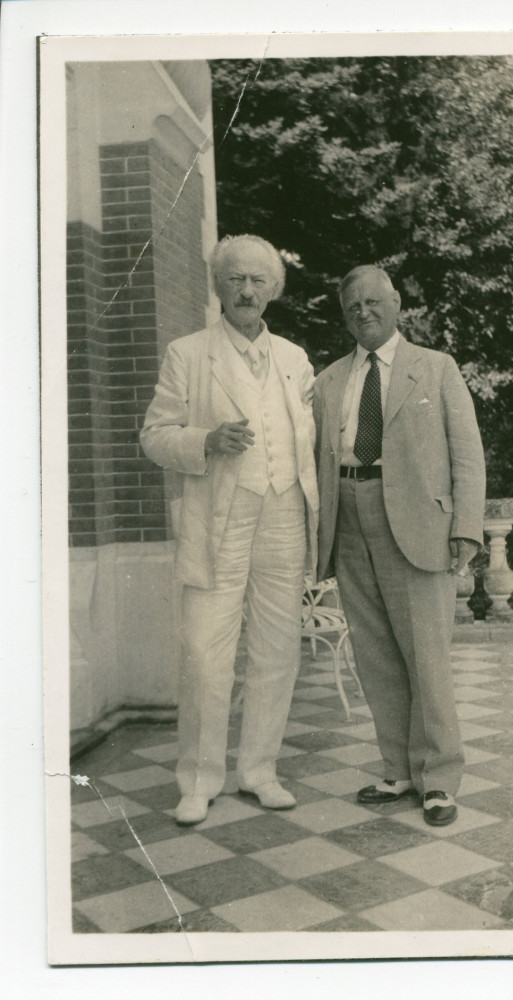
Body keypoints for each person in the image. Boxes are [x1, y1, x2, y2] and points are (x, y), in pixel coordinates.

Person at [141, 234, 318, 825]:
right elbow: (154, 435)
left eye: (258, 281)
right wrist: (205, 441)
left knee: (275, 647)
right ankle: (198, 778)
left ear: (274, 289)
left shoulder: (294, 358)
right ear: (218, 285)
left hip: (284, 511)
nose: (247, 290)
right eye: (236, 278)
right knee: (204, 651)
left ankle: (260, 769)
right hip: (219, 515)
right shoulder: (188, 354)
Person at [313, 265, 485, 827]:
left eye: (372, 301)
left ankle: (439, 778)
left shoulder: (435, 368)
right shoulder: (330, 378)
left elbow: (467, 454)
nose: (362, 312)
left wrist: (466, 527)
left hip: (416, 524)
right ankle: (398, 768)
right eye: (351, 306)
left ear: (396, 303)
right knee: (376, 654)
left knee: (426, 655)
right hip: (349, 516)